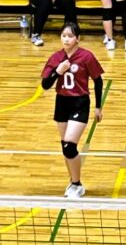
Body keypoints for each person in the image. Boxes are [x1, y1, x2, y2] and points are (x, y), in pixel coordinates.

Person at [41, 22, 104, 198]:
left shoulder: (86, 56)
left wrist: (98, 107)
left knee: (70, 145)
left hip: (80, 102)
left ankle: (77, 184)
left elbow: (98, 81)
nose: (66, 39)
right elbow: (45, 85)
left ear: (78, 38)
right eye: (64, 36)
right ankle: (72, 180)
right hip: (62, 102)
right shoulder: (56, 58)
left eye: (70, 36)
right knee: (65, 147)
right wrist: (57, 72)